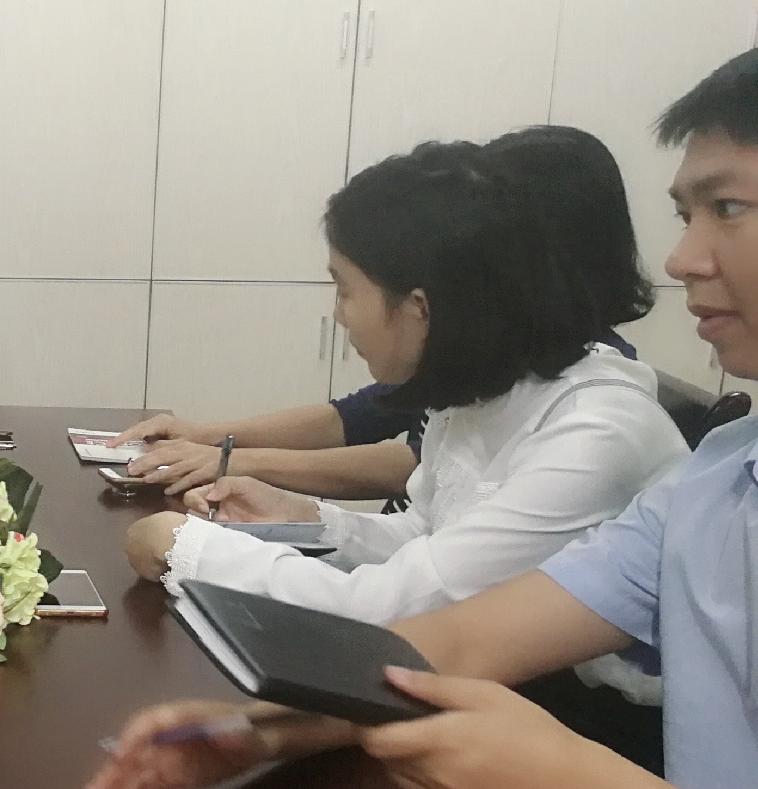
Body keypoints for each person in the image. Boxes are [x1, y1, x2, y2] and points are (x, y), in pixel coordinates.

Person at [85, 51, 758, 789]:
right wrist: (266, 730)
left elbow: (434, 614)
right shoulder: (721, 476)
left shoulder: (612, 425)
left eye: (728, 210)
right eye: (683, 212)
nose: (681, 260)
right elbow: (459, 632)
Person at [120, 139, 687, 628]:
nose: (339, 315)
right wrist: (300, 517)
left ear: (419, 308)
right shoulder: (478, 391)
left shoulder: (594, 434)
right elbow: (425, 538)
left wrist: (186, 549)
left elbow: (395, 610)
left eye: (345, 290)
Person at [117, 126, 657, 500]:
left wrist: (233, 461)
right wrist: (210, 437)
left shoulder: (584, 401)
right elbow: (361, 417)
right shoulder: (485, 353)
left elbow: (417, 485)